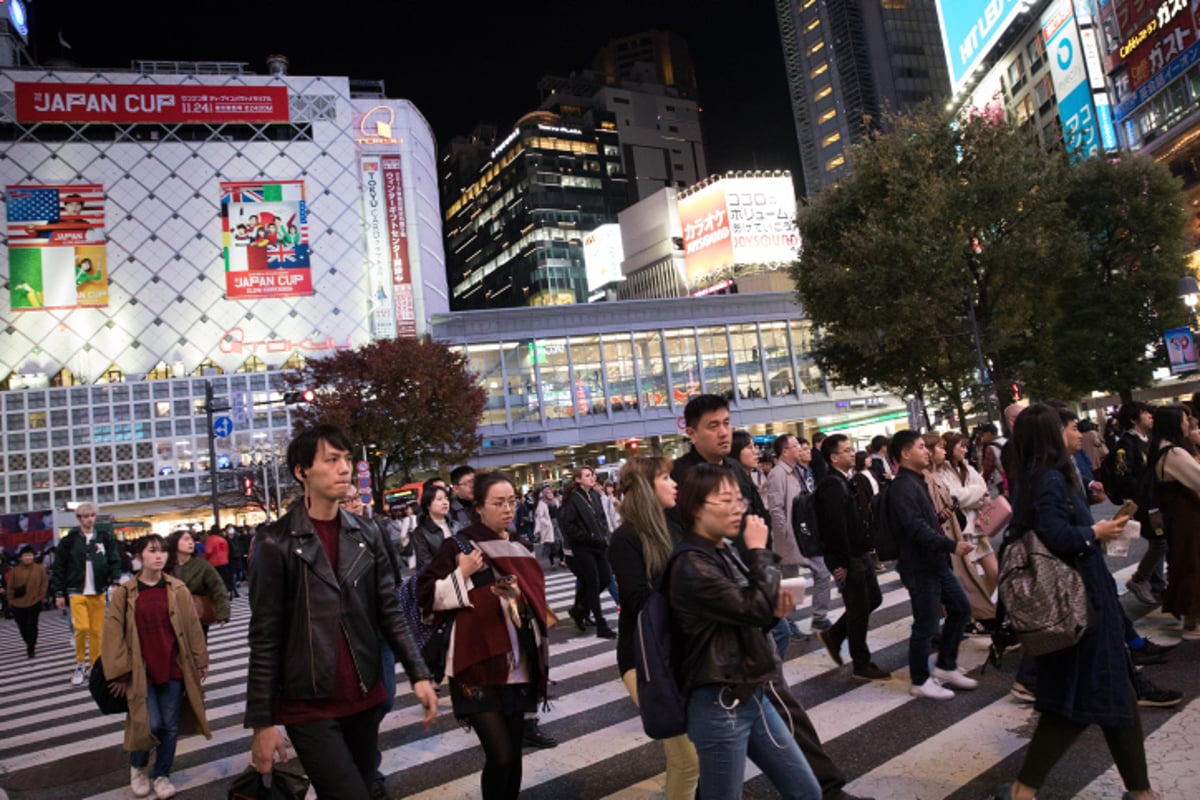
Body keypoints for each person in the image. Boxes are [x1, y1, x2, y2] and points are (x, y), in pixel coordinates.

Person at [669, 395, 863, 800]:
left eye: (726, 422)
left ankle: (821, 788)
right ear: (689, 431)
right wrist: (756, 575)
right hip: (728, 630)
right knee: (773, 710)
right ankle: (830, 789)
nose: (723, 431)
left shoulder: (737, 472)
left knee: (745, 735)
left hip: (756, 607)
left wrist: (770, 583)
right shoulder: (683, 481)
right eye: (711, 425)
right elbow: (690, 555)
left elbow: (758, 526)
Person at [244, 425, 438, 800]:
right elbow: (265, 635)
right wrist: (262, 722)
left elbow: (389, 609)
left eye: (347, 459)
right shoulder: (275, 541)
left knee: (362, 786)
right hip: (308, 704)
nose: (344, 468)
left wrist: (419, 673)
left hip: (364, 696)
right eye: (331, 460)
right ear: (302, 472)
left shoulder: (367, 532)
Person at [996, 404, 1158, 800]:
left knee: (1110, 692)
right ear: (1054, 434)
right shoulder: (1048, 478)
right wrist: (1095, 530)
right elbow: (1055, 535)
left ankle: (1140, 792)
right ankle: (1024, 788)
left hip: (1086, 597)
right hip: (1078, 601)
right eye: (1071, 427)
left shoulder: (1042, 475)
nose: (1078, 432)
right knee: (1079, 699)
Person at [669, 463, 821, 800]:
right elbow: (751, 608)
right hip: (720, 704)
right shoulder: (692, 564)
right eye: (726, 501)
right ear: (695, 507)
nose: (739, 508)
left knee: (807, 791)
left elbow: (750, 614)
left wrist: (772, 610)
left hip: (751, 692)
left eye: (740, 499)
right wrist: (757, 550)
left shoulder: (721, 551)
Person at [417, 472, 551, 800]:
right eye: (498, 503)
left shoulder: (520, 545)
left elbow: (534, 598)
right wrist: (461, 573)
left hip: (517, 661)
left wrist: (519, 598)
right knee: (501, 755)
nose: (507, 509)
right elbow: (424, 596)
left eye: (512, 501)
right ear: (478, 507)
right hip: (474, 664)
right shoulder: (459, 545)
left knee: (514, 755)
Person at [607, 457, 699, 800]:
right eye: (665, 477)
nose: (674, 483)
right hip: (643, 657)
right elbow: (636, 599)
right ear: (647, 486)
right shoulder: (626, 538)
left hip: (680, 651)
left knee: (689, 756)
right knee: (688, 760)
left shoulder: (674, 527)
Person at [103, 534, 211, 800]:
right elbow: (113, 633)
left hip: (173, 666)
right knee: (148, 722)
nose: (159, 556)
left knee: (170, 725)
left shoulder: (177, 589)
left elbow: (192, 627)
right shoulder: (125, 593)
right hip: (142, 670)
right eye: (152, 551)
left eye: (163, 551)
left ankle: (162, 774)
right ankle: (139, 767)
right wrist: (120, 671)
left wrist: (200, 660)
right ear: (140, 557)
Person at [887, 430, 976, 700]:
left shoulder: (917, 481)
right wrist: (951, 546)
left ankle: (946, 665)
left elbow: (924, 521)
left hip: (935, 562)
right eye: (921, 447)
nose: (927, 451)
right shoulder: (902, 486)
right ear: (905, 453)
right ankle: (920, 679)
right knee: (926, 624)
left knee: (961, 608)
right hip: (920, 565)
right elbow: (914, 527)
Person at [813, 435, 889, 681]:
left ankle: (834, 635)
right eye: (846, 450)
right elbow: (835, 528)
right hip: (848, 558)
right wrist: (841, 564)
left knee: (872, 599)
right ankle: (861, 663)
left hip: (858, 553)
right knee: (858, 608)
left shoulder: (844, 480)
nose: (852, 453)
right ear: (834, 457)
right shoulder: (831, 484)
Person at [50, 501, 123, 685]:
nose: (89, 519)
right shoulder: (69, 540)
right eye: (85, 516)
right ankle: (80, 662)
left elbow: (114, 558)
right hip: (76, 590)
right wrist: (58, 592)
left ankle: (94, 664)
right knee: (82, 627)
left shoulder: (104, 537)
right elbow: (59, 566)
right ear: (79, 518)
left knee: (97, 631)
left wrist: (114, 580)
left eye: (92, 516)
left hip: (98, 590)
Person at [930, 433, 997, 626]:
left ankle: (977, 609)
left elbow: (983, 488)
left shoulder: (966, 467)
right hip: (960, 530)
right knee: (967, 577)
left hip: (978, 527)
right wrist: (976, 494)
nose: (965, 450)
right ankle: (974, 613)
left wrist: (973, 495)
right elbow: (953, 497)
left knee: (993, 572)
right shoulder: (940, 471)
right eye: (962, 446)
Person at [1147, 406, 1200, 639]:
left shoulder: (1159, 448)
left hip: (1175, 515)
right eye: (1185, 420)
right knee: (1191, 561)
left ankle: (1189, 615)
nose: (1188, 423)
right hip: (1186, 515)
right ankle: (1190, 615)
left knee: (1184, 561)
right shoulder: (1175, 453)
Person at [558, 465, 616, 639]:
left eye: (593, 475)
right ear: (577, 479)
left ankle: (579, 609)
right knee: (592, 582)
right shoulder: (572, 499)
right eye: (588, 475)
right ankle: (601, 624)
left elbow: (602, 518)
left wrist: (604, 534)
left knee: (605, 578)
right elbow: (568, 526)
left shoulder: (596, 496)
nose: (592, 478)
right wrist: (589, 536)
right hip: (582, 547)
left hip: (598, 544)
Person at [1117, 402, 1163, 606]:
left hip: (1156, 500)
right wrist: (1141, 494)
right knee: (1160, 541)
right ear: (1134, 419)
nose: (1150, 416)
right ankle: (1140, 579)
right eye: (1144, 413)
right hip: (1143, 503)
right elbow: (1123, 476)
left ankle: (1157, 586)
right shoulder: (1125, 444)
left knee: (1160, 541)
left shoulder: (1150, 439)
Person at [165, 531, 230, 640]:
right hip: (171, 615)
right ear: (174, 543)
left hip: (197, 614)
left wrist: (222, 613)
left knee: (198, 649)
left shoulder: (201, 565)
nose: (190, 542)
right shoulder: (166, 565)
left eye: (191, 539)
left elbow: (218, 587)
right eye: (185, 539)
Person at [7, 545, 49, 657]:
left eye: (30, 555)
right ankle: (28, 642)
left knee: (32, 625)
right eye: (25, 555)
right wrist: (10, 600)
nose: (28, 558)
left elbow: (44, 584)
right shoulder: (15, 571)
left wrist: (41, 597)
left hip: (35, 602)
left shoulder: (40, 569)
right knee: (22, 626)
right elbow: (10, 586)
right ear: (20, 557)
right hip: (17, 603)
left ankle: (31, 648)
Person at [412, 483, 460, 575]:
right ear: (428, 505)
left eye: (446, 499)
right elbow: (426, 562)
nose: (445, 502)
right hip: (440, 579)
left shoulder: (456, 525)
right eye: (439, 499)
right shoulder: (421, 532)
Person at [201, 526, 236, 599]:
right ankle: (229, 593)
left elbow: (208, 551)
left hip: (214, 563)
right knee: (226, 579)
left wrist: (203, 559)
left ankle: (220, 595)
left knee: (216, 581)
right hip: (225, 561)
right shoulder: (223, 539)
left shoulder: (211, 539)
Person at [533, 485, 561, 567]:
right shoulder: (542, 503)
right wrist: (547, 523)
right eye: (548, 493)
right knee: (551, 545)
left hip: (557, 523)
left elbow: (559, 511)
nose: (550, 494)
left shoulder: (555, 501)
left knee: (561, 542)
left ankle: (562, 560)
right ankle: (552, 562)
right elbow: (540, 516)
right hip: (549, 525)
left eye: (551, 492)